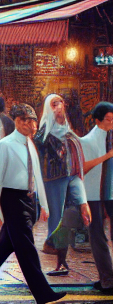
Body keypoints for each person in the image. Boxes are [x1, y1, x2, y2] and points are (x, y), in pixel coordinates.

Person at [0, 103, 65, 304]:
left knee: (4, 248)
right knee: (26, 249)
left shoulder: (30, 144)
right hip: (12, 200)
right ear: (16, 121)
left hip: (29, 201)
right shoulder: (4, 145)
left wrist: (44, 205)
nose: (31, 125)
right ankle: (43, 293)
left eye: (33, 121)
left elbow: (37, 176)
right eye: (26, 120)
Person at [35, 93, 87, 278]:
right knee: (56, 217)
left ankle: (60, 255)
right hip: (52, 179)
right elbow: (41, 155)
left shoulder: (68, 129)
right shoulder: (42, 133)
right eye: (54, 104)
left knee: (66, 218)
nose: (58, 106)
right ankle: (54, 248)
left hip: (70, 178)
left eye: (60, 103)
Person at [80, 102, 113, 295]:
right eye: (108, 120)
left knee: (100, 237)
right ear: (98, 120)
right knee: (98, 237)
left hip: (108, 193)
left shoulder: (109, 137)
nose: (111, 123)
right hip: (93, 195)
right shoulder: (89, 140)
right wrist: (106, 156)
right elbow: (83, 168)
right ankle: (107, 280)